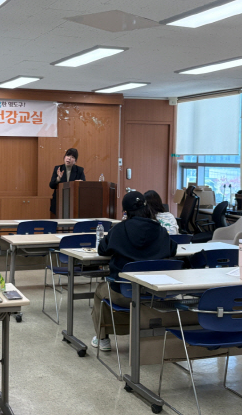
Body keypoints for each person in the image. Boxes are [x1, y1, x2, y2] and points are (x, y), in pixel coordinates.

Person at [91, 191, 178, 351]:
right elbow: (173, 249)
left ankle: (103, 338)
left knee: (100, 291)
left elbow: (102, 249)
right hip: (155, 292)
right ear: (146, 208)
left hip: (124, 292)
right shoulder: (159, 230)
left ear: (125, 211)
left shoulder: (119, 230)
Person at [49, 148, 86, 215]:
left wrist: (80, 183)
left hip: (73, 201)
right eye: (68, 156)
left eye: (72, 157)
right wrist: (58, 178)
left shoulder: (79, 170)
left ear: (75, 161)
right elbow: (51, 185)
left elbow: (84, 185)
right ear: (64, 157)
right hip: (59, 200)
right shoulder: (58, 168)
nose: (69, 158)